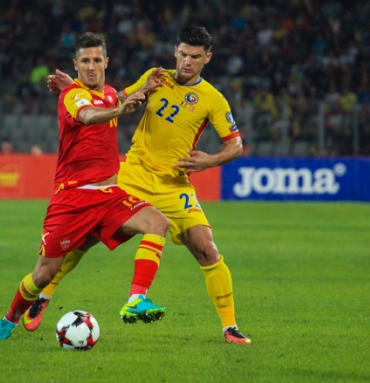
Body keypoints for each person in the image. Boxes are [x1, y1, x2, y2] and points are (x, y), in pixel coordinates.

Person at [36, 26, 250, 344]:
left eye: (195, 57)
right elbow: (119, 100)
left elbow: (235, 145)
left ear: (207, 57)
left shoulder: (213, 100)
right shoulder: (156, 76)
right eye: (182, 54)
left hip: (174, 184)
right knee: (84, 237)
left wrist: (209, 161)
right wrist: (76, 87)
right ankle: (43, 297)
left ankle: (229, 327)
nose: (187, 62)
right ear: (175, 51)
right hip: (133, 174)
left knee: (206, 247)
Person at [0, 32, 170, 341]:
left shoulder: (110, 93)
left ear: (106, 62)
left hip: (109, 196)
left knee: (157, 222)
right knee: (44, 272)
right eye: (85, 61)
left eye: (97, 60)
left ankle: (136, 299)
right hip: (72, 198)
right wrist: (119, 111)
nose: (91, 66)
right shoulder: (72, 95)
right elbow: (88, 115)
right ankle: (10, 318)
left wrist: (144, 88)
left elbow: (118, 96)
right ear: (76, 65)